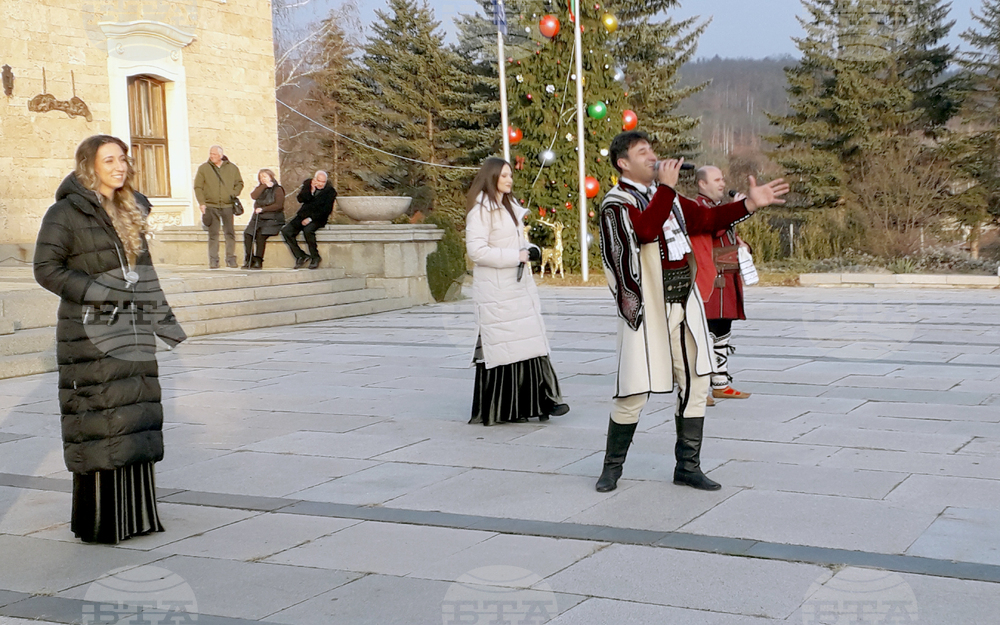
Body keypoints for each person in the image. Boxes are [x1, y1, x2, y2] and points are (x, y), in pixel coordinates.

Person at [595, 131, 788, 492]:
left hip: (685, 302)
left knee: (697, 382)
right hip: (648, 310)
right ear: (623, 163)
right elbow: (646, 231)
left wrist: (748, 206)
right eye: (643, 152)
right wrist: (667, 189)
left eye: (652, 149)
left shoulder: (666, 197)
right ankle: (612, 467)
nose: (653, 156)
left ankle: (688, 465)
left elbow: (707, 220)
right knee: (634, 390)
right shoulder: (616, 203)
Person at [33, 135, 187, 544]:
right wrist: (101, 290)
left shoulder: (130, 208)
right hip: (90, 333)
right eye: (109, 160)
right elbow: (46, 269)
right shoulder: (64, 212)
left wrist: (165, 324)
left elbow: (145, 273)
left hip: (132, 331)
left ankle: (137, 517)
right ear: (89, 165)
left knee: (135, 417)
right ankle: (102, 523)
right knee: (102, 422)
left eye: (123, 159)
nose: (119, 166)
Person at [466, 156, 570, 426]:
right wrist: (516, 255)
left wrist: (529, 249)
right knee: (505, 347)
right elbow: (476, 251)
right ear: (491, 178)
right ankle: (506, 407)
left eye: (510, 175)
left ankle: (539, 401)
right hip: (497, 290)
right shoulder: (480, 211)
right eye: (503, 176)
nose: (509, 179)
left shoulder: (510, 207)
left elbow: (517, 243)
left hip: (517, 286)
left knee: (529, 342)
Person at [691, 166, 752, 400]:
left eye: (723, 179)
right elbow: (714, 228)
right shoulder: (698, 207)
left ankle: (720, 382)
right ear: (702, 184)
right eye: (717, 179)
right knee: (704, 333)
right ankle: (698, 388)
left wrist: (741, 244)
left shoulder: (718, 209)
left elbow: (725, 233)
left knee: (723, 330)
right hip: (710, 277)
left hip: (726, 275)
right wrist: (740, 210)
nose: (722, 183)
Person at [194, 145, 244, 268]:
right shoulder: (204, 168)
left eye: (214, 154)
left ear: (221, 155)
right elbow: (198, 187)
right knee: (213, 234)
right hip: (211, 205)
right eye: (211, 153)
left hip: (227, 205)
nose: (212, 156)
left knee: (229, 233)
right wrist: (202, 202)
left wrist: (233, 193)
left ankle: (231, 258)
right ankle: (213, 260)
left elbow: (239, 183)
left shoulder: (232, 168)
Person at [281, 170, 336, 269]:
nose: (320, 184)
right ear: (315, 179)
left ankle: (315, 257)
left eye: (323, 182)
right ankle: (300, 256)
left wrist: (310, 219)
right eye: (319, 181)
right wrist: (311, 190)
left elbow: (326, 210)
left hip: (317, 217)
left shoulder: (330, 191)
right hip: (303, 214)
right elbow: (300, 199)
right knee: (286, 231)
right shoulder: (308, 184)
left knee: (308, 230)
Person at [243, 169, 286, 269]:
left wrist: (263, 209)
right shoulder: (260, 188)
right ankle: (249, 259)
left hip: (273, 219)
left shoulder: (278, 189)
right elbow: (253, 196)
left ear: (271, 177)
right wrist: (264, 186)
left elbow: (279, 205)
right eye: (261, 177)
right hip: (258, 218)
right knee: (248, 234)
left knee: (260, 236)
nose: (263, 179)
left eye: (265, 176)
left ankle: (258, 260)